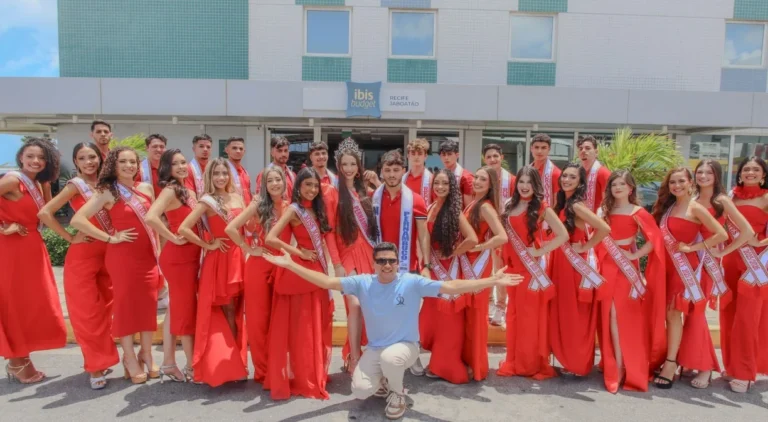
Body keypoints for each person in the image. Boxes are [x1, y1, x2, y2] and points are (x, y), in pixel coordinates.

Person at [260, 242, 523, 420]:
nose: (387, 265)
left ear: (398, 262)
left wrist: (493, 280)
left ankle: (398, 395)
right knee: (361, 390)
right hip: (376, 348)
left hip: (405, 347)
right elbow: (327, 281)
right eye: (382, 261)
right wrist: (290, 265)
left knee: (391, 359)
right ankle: (385, 382)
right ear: (374, 263)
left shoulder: (411, 282)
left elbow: (451, 287)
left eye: (392, 261)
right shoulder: (362, 282)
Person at [71, 146, 161, 385]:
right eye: (123, 162)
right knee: (125, 307)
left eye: (133, 161)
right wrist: (110, 237)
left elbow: (153, 223)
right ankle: (130, 358)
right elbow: (77, 219)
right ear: (113, 164)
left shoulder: (146, 189)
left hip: (148, 257)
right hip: (123, 258)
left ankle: (147, 353)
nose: (129, 166)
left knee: (148, 305)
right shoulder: (107, 191)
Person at [38, 142, 118, 389]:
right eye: (82, 158)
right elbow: (45, 213)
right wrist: (70, 237)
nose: (89, 162)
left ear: (100, 158)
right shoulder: (76, 186)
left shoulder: (109, 185)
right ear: (76, 162)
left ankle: (104, 358)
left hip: (110, 252)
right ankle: (95, 366)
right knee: (87, 313)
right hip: (83, 256)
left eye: (92, 157)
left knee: (106, 311)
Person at [263, 167, 340, 400]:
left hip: (317, 271)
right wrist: (298, 252)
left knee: (316, 324)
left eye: (316, 186)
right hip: (301, 271)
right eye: (308, 185)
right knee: (303, 328)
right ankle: (304, 377)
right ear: (298, 186)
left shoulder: (318, 209)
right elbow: (270, 238)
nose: (312, 190)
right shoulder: (294, 210)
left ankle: (315, 373)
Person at [650, 167, 727, 389]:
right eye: (672, 182)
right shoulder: (670, 206)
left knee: (676, 313)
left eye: (681, 181)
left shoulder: (696, 208)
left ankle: (671, 363)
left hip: (686, 268)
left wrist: (693, 247)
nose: (677, 186)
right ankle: (678, 359)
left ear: (690, 182)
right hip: (668, 267)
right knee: (670, 315)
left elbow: (720, 234)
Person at [0, 138, 67, 384]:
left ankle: (19, 359)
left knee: (31, 305)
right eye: (30, 156)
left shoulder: (40, 183)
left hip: (32, 247)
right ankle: (18, 362)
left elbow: (46, 214)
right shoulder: (12, 180)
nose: (35, 161)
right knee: (14, 305)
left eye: (41, 157)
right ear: (21, 158)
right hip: (11, 250)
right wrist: (2, 226)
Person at [178, 157, 248, 387]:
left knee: (238, 310)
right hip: (220, 259)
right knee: (227, 310)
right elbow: (184, 228)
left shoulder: (238, 196)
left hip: (238, 256)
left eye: (224, 173)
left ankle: (237, 362)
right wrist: (207, 244)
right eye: (216, 173)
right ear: (209, 176)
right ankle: (231, 364)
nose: (221, 177)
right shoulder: (207, 201)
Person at [595, 170, 665, 393]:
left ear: (631, 188)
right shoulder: (604, 211)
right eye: (614, 184)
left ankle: (622, 365)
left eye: (622, 184)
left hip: (625, 270)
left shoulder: (638, 212)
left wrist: (635, 255)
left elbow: (655, 239)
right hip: (605, 266)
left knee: (619, 314)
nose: (618, 188)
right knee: (608, 314)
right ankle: (614, 362)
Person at [497, 166, 568, 380]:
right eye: (521, 182)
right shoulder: (510, 205)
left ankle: (528, 364)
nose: (524, 186)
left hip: (531, 269)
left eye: (529, 182)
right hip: (513, 268)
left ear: (536, 185)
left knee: (529, 318)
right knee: (514, 315)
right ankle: (515, 360)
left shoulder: (542, 207)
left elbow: (562, 234)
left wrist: (540, 250)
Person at [225, 166, 291, 383]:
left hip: (281, 266)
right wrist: (247, 248)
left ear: (284, 182)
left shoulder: (290, 207)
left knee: (279, 320)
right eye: (270, 180)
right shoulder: (257, 205)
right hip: (259, 265)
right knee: (258, 321)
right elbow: (231, 228)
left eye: (278, 179)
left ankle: (278, 368)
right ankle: (262, 371)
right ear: (264, 185)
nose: (274, 184)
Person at [692, 159, 753, 389]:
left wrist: (724, 251)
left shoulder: (722, 201)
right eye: (700, 172)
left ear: (717, 176)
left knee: (699, 315)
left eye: (709, 172)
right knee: (691, 314)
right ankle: (692, 360)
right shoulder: (692, 199)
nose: (703, 176)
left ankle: (706, 367)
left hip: (708, 265)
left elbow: (746, 231)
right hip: (689, 262)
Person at [371, 149, 431, 376]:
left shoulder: (415, 199)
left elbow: (423, 234)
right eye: (387, 170)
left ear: (403, 171)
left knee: (409, 314)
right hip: (380, 266)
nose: (392, 174)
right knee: (384, 314)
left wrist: (426, 265)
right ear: (382, 171)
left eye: (396, 170)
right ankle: (385, 355)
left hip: (407, 265)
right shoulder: (373, 198)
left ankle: (412, 355)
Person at [548, 162, 611, 377]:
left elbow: (604, 229)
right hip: (560, 263)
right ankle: (567, 359)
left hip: (573, 266)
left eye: (572, 177)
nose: (566, 180)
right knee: (564, 313)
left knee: (575, 315)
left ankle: (577, 364)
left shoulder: (576, 206)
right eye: (564, 176)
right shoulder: (562, 203)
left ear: (581, 182)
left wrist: (585, 246)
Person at [146, 149, 202, 383]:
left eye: (183, 163)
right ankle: (191, 366)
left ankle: (169, 362)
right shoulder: (170, 190)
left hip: (191, 256)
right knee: (186, 311)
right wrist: (173, 236)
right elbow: (151, 217)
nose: (181, 167)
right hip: (178, 258)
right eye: (175, 163)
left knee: (176, 309)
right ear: (167, 168)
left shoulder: (187, 189)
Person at [419, 169, 478, 383]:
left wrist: (453, 252)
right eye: (437, 183)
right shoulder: (432, 207)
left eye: (445, 183)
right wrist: (426, 263)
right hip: (433, 269)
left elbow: (471, 238)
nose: (440, 187)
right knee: (430, 320)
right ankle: (437, 361)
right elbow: (424, 237)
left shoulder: (454, 211)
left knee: (448, 323)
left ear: (451, 187)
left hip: (449, 271)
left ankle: (445, 366)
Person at [330, 138, 378, 374]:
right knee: (354, 304)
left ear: (359, 167)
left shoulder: (365, 192)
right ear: (338, 166)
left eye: (353, 164)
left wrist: (377, 182)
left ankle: (368, 351)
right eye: (345, 164)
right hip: (346, 253)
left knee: (368, 305)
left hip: (367, 253)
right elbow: (329, 232)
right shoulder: (331, 192)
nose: (349, 168)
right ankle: (354, 355)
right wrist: (336, 264)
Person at [720, 157, 768, 393]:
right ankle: (731, 365)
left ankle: (745, 372)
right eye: (746, 169)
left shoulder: (766, 197)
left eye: (755, 169)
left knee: (749, 318)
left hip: (755, 263)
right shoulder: (731, 197)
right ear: (739, 174)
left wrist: (762, 241)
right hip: (730, 260)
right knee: (729, 313)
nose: (750, 172)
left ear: (763, 174)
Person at [460, 166, 508, 380]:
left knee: (477, 316)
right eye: (476, 178)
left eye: (483, 180)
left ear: (491, 185)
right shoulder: (473, 203)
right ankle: (469, 361)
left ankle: (478, 367)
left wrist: (479, 247)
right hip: (468, 262)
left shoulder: (486, 206)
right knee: (469, 316)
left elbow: (502, 236)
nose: (477, 182)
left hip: (478, 264)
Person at [478, 148, 516, 326]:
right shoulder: (480, 177)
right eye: (488, 157)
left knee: (500, 269)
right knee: (484, 269)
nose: (492, 159)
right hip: (485, 230)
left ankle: (500, 306)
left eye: (495, 156)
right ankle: (485, 306)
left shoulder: (512, 180)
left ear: (502, 157)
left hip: (505, 231)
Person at [577, 136, 610, 213]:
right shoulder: (577, 173)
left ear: (596, 152)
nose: (583, 151)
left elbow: (608, 203)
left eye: (588, 148)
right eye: (581, 149)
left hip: (596, 220)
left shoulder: (603, 173)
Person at [439, 139, 474, 206]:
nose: (446, 157)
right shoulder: (439, 175)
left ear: (457, 155)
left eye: (449, 154)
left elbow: (469, 208)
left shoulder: (466, 177)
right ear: (440, 157)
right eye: (443, 154)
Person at [530, 133, 561, 207]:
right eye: (536, 147)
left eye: (543, 148)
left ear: (549, 149)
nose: (539, 151)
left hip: (547, 216)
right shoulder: (526, 171)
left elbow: (557, 203)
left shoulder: (556, 173)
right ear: (531, 149)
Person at [402, 138, 435, 206]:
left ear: (425, 156)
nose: (416, 157)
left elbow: (435, 205)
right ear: (408, 156)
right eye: (413, 153)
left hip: (425, 215)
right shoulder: (402, 179)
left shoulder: (432, 179)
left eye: (420, 153)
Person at [225, 137, 253, 204]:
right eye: (234, 148)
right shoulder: (223, 171)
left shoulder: (245, 172)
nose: (238, 151)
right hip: (232, 211)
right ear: (226, 150)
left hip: (246, 211)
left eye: (241, 149)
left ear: (244, 151)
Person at [139, 134, 168, 198]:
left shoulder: (170, 169)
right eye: (155, 146)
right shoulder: (138, 169)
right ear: (147, 148)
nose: (159, 150)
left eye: (162, 147)